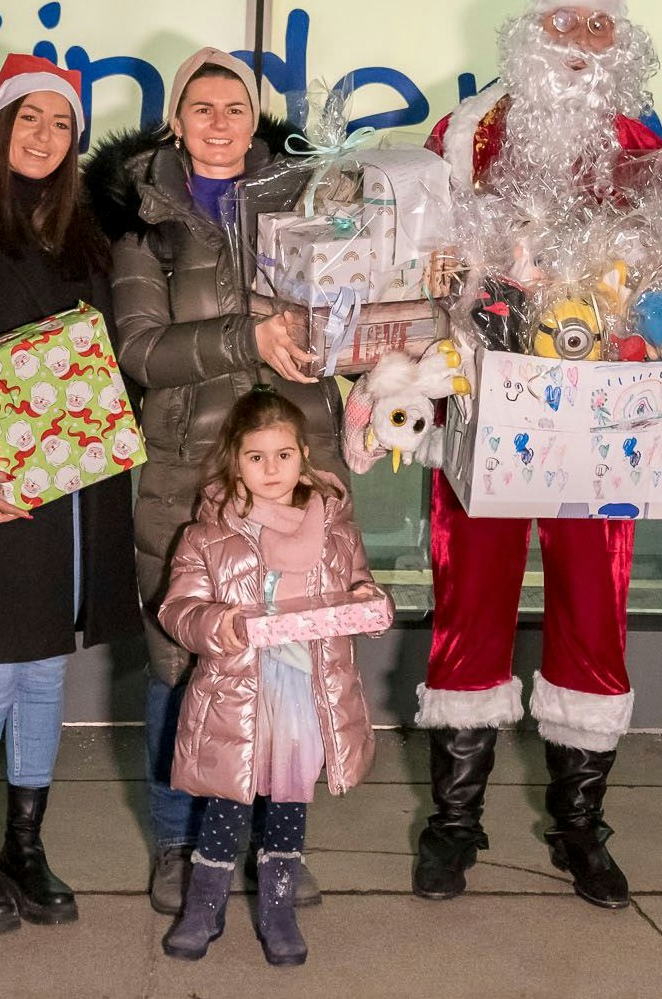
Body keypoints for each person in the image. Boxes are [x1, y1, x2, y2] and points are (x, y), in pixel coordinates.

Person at [412, 0, 662, 909]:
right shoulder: (462, 135)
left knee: (594, 617)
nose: (578, 42)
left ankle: (579, 828)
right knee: (467, 606)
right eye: (562, 23)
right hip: (484, 413)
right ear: (528, 34)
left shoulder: (647, 150)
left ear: (621, 42)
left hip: (603, 429)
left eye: (597, 27)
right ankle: (453, 822)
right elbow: (416, 257)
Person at [90, 47, 339, 914]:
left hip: (288, 476)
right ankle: (176, 839)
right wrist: (247, 340)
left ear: (254, 115)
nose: (221, 122)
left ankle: (277, 841)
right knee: (181, 665)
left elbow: (335, 340)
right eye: (202, 107)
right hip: (185, 477)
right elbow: (139, 351)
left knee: (286, 669)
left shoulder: (310, 203)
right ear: (177, 119)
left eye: (235, 105)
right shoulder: (142, 220)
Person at [0, 55, 137, 935]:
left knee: (48, 671)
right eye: (29, 118)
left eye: (62, 124)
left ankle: (25, 846)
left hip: (78, 486)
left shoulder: (89, 238)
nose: (46, 137)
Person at [156, 388, 385, 967]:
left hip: (309, 693)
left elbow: (358, 585)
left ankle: (277, 907)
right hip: (239, 693)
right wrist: (220, 622)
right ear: (235, 460)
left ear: (304, 455)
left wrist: (367, 601)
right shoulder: (207, 537)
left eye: (283, 455)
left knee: (288, 802)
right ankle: (203, 905)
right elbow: (177, 609)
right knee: (227, 804)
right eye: (256, 457)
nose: (271, 469)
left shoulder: (335, 530)